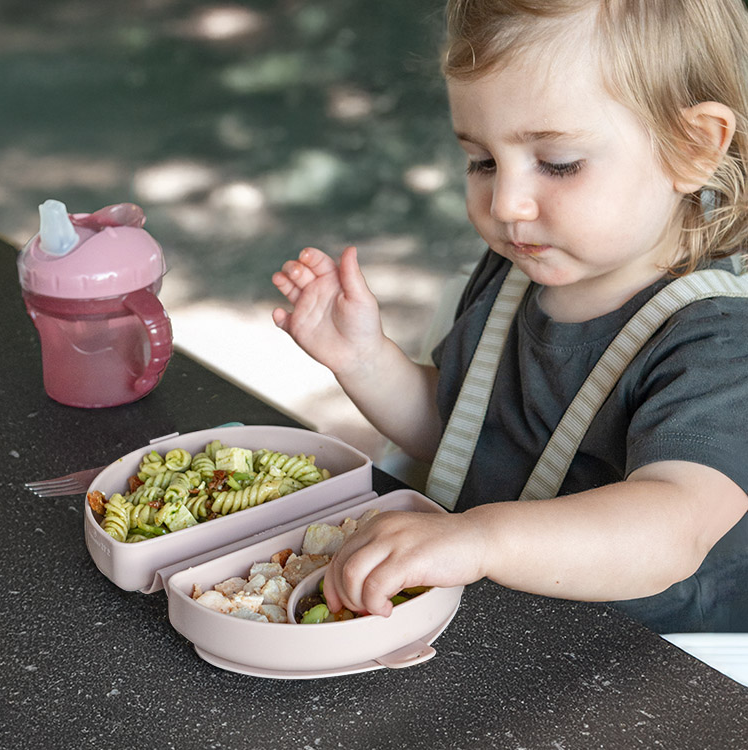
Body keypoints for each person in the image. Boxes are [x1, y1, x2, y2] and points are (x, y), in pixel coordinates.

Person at [271, 0, 748, 634]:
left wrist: (480, 538)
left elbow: (671, 529)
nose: (507, 202)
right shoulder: (522, 268)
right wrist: (363, 358)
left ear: (692, 148)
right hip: (497, 619)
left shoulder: (716, 340)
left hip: (655, 659)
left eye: (557, 163)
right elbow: (465, 438)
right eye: (483, 161)